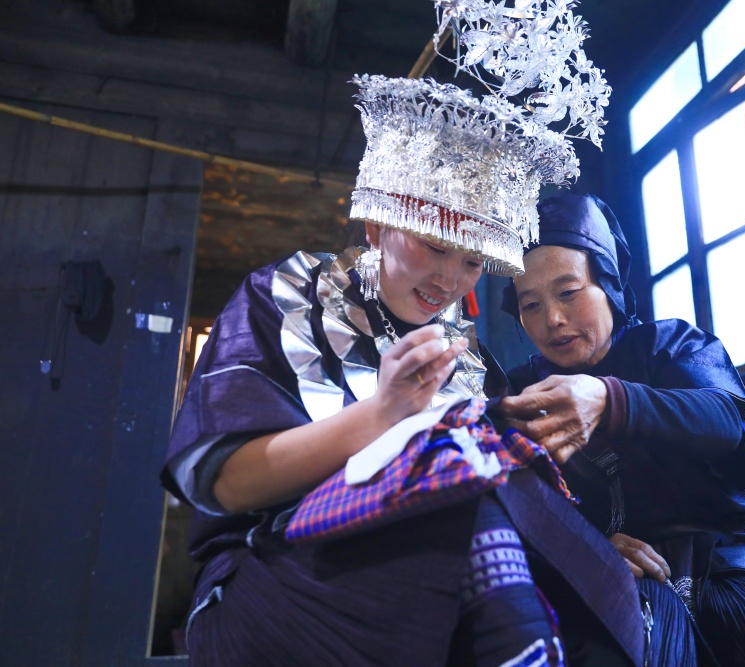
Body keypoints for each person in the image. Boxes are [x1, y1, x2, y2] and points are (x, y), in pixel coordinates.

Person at [160, 3, 655, 665]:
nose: (450, 279)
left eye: (472, 262)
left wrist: (582, 545)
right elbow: (227, 485)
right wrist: (382, 413)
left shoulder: (467, 356)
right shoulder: (285, 295)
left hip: (433, 559)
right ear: (377, 226)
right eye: (433, 246)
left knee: (598, 590)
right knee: (472, 518)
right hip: (272, 568)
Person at [498, 193, 745, 666]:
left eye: (568, 292)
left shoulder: (670, 346)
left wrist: (610, 400)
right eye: (530, 305)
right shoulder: (519, 392)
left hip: (721, 568)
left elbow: (724, 420)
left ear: (609, 283)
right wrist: (587, 548)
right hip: (603, 576)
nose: (552, 319)